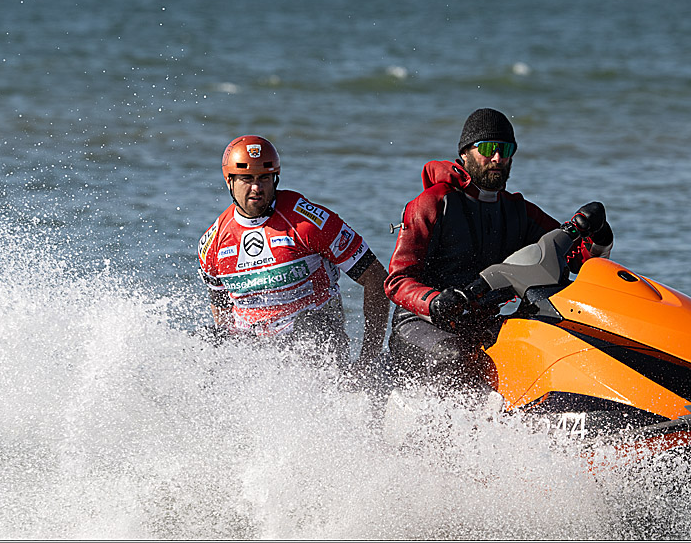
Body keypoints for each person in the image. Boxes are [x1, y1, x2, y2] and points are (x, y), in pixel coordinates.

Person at [384, 108, 613, 384]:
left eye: (506, 150)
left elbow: (579, 261)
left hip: (482, 327)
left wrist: (600, 235)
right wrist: (434, 302)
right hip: (420, 323)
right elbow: (396, 282)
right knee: (454, 357)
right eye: (489, 148)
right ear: (466, 152)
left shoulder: (518, 212)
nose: (498, 158)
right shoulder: (431, 204)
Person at [198, 135, 390, 369]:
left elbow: (377, 279)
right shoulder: (213, 243)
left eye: (264, 178)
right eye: (247, 179)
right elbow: (221, 308)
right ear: (230, 181)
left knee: (310, 326)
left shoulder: (309, 222)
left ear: (275, 178)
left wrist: (367, 361)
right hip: (254, 351)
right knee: (207, 340)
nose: (256, 188)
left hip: (314, 338)